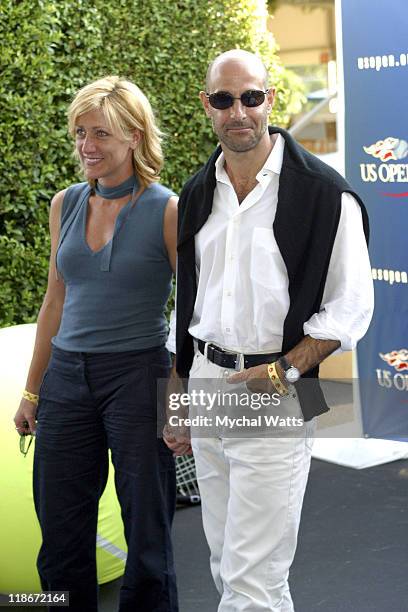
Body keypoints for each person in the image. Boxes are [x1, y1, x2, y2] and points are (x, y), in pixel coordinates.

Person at [164, 49, 374, 611]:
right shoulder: (195, 193)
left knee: (254, 574)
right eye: (224, 99)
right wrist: (179, 401)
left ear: (270, 99)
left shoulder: (324, 193)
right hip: (207, 378)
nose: (239, 112)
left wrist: (285, 369)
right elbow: (189, 303)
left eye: (251, 97)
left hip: (280, 385)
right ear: (206, 104)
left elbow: (350, 307)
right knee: (225, 562)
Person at [14, 76, 179, 612]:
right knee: (59, 532)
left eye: (101, 134)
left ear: (134, 136)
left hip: (138, 374)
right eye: (80, 133)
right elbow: (53, 304)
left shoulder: (167, 209)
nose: (87, 146)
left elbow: (193, 314)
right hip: (66, 378)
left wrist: (179, 396)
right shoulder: (65, 203)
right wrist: (32, 391)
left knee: (147, 533)